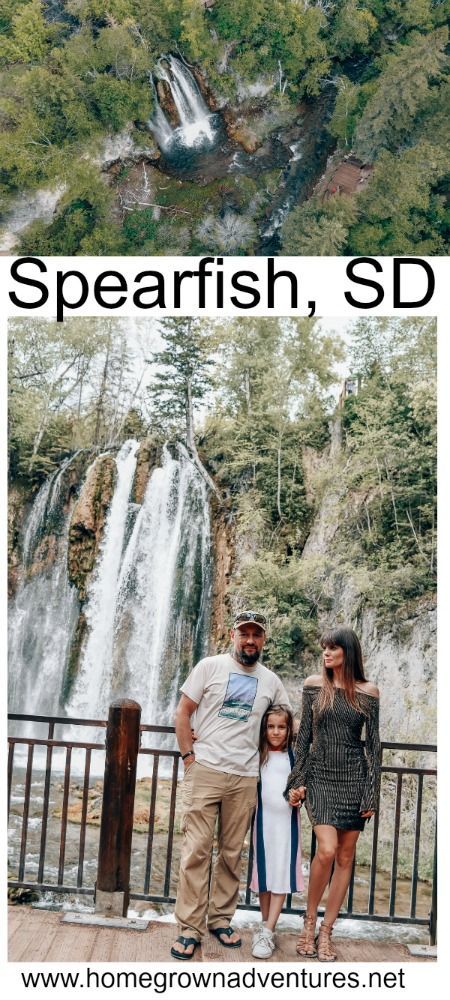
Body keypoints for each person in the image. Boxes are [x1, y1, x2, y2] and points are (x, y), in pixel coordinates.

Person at [171, 610, 291, 960]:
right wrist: (188, 758)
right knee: (196, 849)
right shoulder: (209, 666)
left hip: (244, 776)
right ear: (232, 635)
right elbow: (183, 712)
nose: (250, 640)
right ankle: (189, 928)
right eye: (244, 633)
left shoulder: (272, 681)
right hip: (205, 769)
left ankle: (220, 919)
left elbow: (284, 724)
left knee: (231, 852)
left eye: (256, 635)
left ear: (263, 640)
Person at [285, 627, 380, 962]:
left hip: (354, 779)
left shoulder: (369, 692)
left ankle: (327, 930)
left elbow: (375, 747)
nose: (326, 653)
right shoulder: (314, 686)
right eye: (324, 648)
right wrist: (296, 780)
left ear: (348, 652)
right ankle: (308, 924)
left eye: (333, 648)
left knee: (344, 858)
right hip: (321, 777)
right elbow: (303, 740)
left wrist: (371, 793)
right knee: (326, 851)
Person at [250, 705, 304, 959]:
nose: (275, 731)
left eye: (281, 727)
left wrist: (298, 797)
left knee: (281, 873)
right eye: (271, 726)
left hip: (286, 824)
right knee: (264, 874)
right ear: (264, 729)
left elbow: (301, 788)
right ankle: (265, 926)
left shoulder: (294, 758)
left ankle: (269, 929)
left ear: (289, 729)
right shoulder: (258, 755)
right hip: (262, 824)